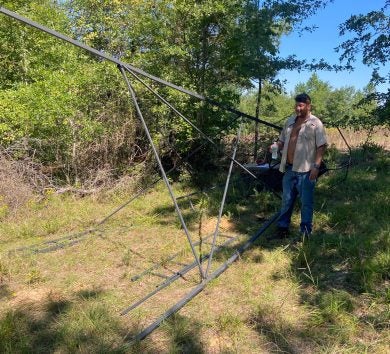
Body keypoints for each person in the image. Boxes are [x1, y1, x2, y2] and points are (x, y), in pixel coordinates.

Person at [273, 93, 327, 238]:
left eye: (301, 105)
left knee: (306, 203)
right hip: (289, 168)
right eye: (296, 105)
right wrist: (275, 145)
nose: (297, 108)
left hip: (306, 171)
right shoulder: (290, 121)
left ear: (308, 106)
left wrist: (316, 167)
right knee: (286, 200)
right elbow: (282, 140)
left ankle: (305, 233)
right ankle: (282, 229)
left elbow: (321, 146)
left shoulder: (316, 123)